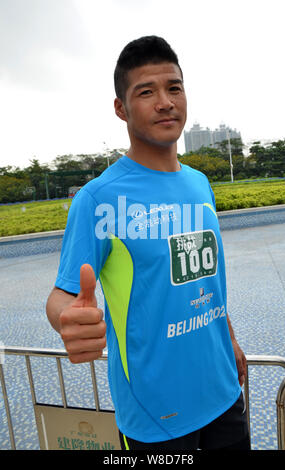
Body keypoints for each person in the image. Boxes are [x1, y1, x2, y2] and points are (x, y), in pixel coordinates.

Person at [46, 36, 250, 451]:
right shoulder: (99, 198)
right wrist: (69, 319)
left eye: (174, 87)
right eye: (146, 91)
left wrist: (227, 336)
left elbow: (202, 279)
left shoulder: (200, 184)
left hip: (224, 394)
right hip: (155, 416)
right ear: (121, 108)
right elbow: (63, 296)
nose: (165, 101)